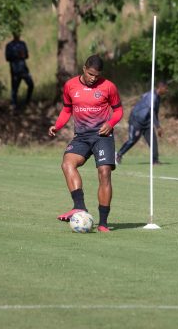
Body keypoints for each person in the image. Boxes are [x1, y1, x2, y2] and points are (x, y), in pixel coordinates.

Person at [48, 55, 123, 233]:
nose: (93, 78)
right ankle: (79, 207)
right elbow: (67, 109)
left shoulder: (109, 86)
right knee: (67, 164)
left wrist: (110, 124)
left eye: (97, 76)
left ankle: (103, 223)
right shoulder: (70, 85)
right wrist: (57, 126)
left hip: (102, 136)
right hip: (81, 136)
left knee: (104, 172)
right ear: (84, 68)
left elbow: (118, 110)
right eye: (90, 74)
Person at [115, 81, 169, 165]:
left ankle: (155, 161)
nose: (167, 91)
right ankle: (118, 155)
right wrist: (157, 126)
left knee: (153, 141)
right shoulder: (152, 96)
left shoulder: (158, 97)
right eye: (166, 89)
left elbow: (155, 112)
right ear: (160, 88)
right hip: (136, 120)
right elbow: (151, 111)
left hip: (147, 123)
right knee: (132, 140)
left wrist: (158, 125)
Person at [5, 32, 34, 109]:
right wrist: (17, 55)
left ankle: (27, 101)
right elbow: (7, 58)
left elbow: (27, 55)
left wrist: (23, 55)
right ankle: (14, 104)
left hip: (24, 69)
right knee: (14, 88)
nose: (17, 35)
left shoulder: (23, 44)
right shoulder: (9, 45)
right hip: (15, 70)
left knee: (31, 84)